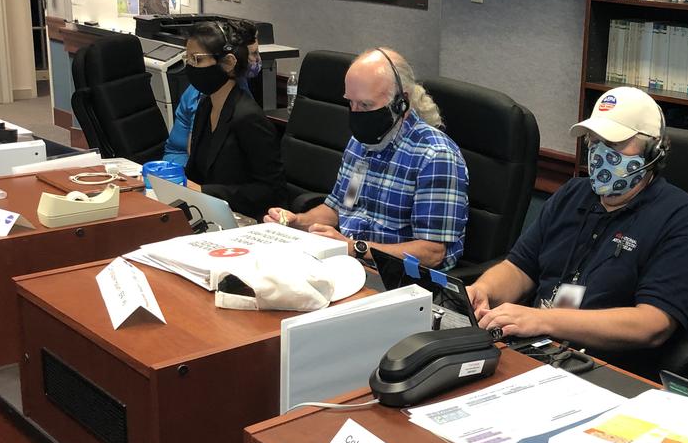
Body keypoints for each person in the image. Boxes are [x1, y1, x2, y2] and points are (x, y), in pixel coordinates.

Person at [467, 87, 688, 366]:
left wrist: (544, 320)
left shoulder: (684, 217)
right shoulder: (573, 193)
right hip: (537, 350)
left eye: (613, 144)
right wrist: (483, 290)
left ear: (653, 151)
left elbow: (652, 324)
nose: (598, 154)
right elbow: (519, 267)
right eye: (593, 141)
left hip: (608, 369)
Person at [264, 48, 468, 269]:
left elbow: (432, 252)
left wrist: (353, 247)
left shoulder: (435, 156)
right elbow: (341, 208)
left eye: (365, 105)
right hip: (349, 265)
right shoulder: (362, 143)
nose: (356, 113)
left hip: (400, 279)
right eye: (350, 103)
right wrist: (297, 222)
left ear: (402, 103)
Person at [181, 20, 286, 221]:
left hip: (246, 220)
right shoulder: (206, 105)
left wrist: (204, 191)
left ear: (228, 63)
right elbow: (196, 172)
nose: (190, 66)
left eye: (197, 59)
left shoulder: (249, 117)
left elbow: (271, 191)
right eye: (188, 59)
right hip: (208, 214)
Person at [164, 20, 259, 167]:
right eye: (252, 54)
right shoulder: (205, 100)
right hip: (181, 164)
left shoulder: (246, 110)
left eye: (196, 59)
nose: (255, 60)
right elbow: (195, 154)